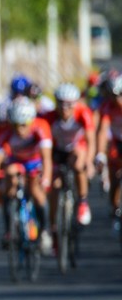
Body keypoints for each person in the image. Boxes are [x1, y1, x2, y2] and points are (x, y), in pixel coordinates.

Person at [0, 96, 54, 254]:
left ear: (31, 121)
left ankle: (44, 231)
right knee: (7, 184)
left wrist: (46, 178)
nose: (20, 130)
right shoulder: (7, 134)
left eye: (24, 125)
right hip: (17, 162)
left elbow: (47, 158)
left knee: (36, 191)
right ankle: (9, 230)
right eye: (16, 125)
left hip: (35, 161)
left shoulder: (41, 127)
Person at [42, 82, 95, 225]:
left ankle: (83, 202)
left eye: (69, 104)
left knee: (79, 165)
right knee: (55, 187)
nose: (65, 108)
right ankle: (53, 227)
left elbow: (91, 140)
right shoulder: (50, 117)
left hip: (76, 149)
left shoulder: (83, 113)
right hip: (58, 151)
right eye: (61, 104)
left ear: (75, 103)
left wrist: (89, 162)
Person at [95, 74, 122, 221]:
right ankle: (114, 206)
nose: (116, 100)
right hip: (117, 141)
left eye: (119, 96)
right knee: (114, 174)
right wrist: (100, 153)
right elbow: (102, 130)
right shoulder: (107, 107)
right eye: (112, 96)